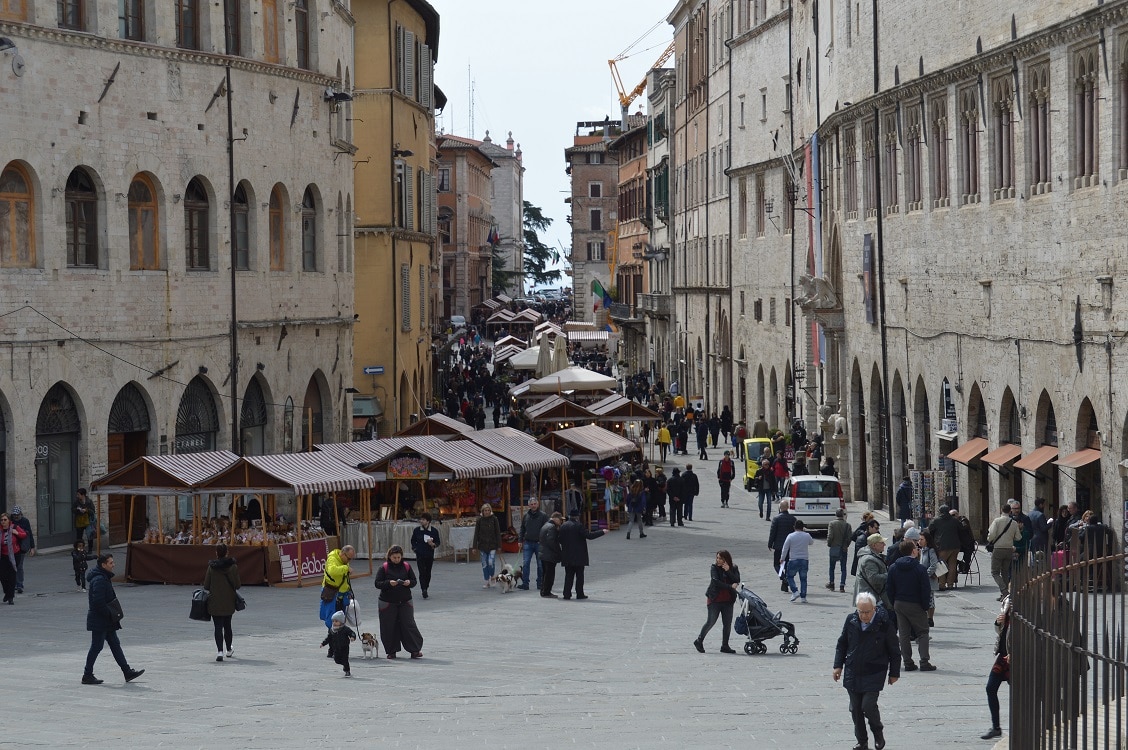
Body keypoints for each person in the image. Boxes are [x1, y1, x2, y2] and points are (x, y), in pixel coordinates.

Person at [833, 592, 900, 750]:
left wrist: (894, 673)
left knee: (868, 706)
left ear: (874, 609)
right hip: (853, 670)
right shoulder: (851, 620)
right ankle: (862, 741)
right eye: (861, 611)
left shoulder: (884, 624)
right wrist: (838, 666)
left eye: (867, 612)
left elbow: (895, 651)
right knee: (855, 709)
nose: (863, 615)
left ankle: (878, 733)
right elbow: (842, 643)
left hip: (874, 672)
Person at [83, 553, 145, 685]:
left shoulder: (103, 577)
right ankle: (87, 675)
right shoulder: (99, 579)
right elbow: (97, 602)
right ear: (103, 565)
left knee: (115, 645)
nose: (113, 565)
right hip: (100, 620)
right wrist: (109, 614)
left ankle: (127, 671)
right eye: (111, 563)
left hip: (106, 620)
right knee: (96, 646)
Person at [887, 539, 935, 672]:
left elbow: (889, 588)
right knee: (923, 632)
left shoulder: (893, 567)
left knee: (903, 633)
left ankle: (908, 662)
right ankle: (924, 661)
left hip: (899, 603)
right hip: (915, 603)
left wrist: (893, 602)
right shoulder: (919, 568)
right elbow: (925, 589)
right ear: (913, 551)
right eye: (916, 547)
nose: (918, 549)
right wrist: (925, 606)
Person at [374, 545, 424, 659]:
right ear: (389, 557)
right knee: (388, 626)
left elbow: (414, 581)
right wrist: (388, 583)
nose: (396, 559)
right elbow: (377, 583)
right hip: (387, 602)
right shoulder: (384, 568)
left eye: (398, 557)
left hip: (405, 601)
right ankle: (391, 651)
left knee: (409, 624)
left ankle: (415, 650)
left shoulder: (406, 566)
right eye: (394, 557)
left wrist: (408, 582)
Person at [693, 550, 741, 654]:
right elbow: (716, 581)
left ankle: (725, 645)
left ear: (726, 559)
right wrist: (729, 586)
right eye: (717, 558)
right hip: (715, 599)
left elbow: (737, 580)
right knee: (711, 621)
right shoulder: (714, 567)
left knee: (727, 624)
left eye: (720, 558)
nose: (718, 560)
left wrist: (728, 571)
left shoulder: (734, 567)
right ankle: (699, 640)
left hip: (728, 600)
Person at [203, 543, 241, 662]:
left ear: (216, 553)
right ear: (227, 552)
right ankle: (229, 649)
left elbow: (206, 585)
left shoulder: (211, 567)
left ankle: (220, 651)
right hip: (229, 600)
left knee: (217, 627)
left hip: (215, 601)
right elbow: (237, 585)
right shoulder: (233, 567)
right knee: (227, 625)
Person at [981, 594, 1012, 740]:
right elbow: (1000, 631)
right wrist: (998, 622)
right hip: (1003, 655)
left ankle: (1023, 726)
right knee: (990, 688)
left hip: (1018, 656)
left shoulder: (1028, 605)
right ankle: (996, 727)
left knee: (1020, 695)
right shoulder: (1008, 602)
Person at [558, 509, 604, 600]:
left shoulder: (563, 526)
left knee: (568, 575)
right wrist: (602, 532)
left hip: (567, 555)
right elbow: (589, 536)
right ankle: (580, 593)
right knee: (579, 576)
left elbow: (559, 539)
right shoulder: (579, 526)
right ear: (577, 517)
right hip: (579, 556)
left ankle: (566, 594)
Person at [319, 545, 356, 653]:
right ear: (342, 554)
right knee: (333, 622)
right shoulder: (332, 558)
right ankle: (332, 648)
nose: (349, 561)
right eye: (349, 558)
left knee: (340, 623)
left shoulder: (344, 561)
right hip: (332, 595)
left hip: (342, 595)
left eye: (351, 559)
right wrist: (346, 568)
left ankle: (338, 647)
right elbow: (332, 571)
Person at [986, 504, 1022, 600]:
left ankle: (1004, 591)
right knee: (1005, 572)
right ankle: (1004, 595)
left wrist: (990, 539)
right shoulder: (1014, 523)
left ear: (1001, 510)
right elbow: (1018, 537)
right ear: (1010, 511)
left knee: (995, 572)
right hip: (1009, 549)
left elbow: (991, 535)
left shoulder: (997, 521)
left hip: (998, 548)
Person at [854, 534, 892, 611]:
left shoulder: (872, 556)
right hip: (870, 598)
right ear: (874, 545)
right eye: (881, 543)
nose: (884, 545)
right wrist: (890, 575)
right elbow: (874, 578)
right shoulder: (869, 560)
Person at [781, 519, 815, 603]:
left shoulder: (790, 536)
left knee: (789, 576)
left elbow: (785, 548)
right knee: (803, 578)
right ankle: (803, 597)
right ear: (803, 527)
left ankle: (795, 591)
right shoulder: (807, 535)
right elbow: (811, 542)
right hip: (804, 559)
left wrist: (782, 558)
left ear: (794, 527)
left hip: (793, 559)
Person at [518, 498, 548, 589]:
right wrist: (520, 540)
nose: (533, 505)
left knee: (540, 564)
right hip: (528, 543)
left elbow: (547, 528)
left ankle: (540, 583)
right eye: (531, 504)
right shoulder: (526, 516)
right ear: (529, 505)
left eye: (535, 504)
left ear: (538, 504)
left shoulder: (543, 515)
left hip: (539, 543)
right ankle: (525, 583)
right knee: (526, 563)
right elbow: (522, 528)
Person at [929, 505, 961, 590]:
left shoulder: (936, 520)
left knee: (941, 565)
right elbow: (961, 529)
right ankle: (950, 584)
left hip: (942, 545)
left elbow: (930, 530)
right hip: (955, 545)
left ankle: (942, 584)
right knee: (952, 564)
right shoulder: (954, 520)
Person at [768, 500, 796, 592]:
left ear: (780, 508)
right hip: (790, 547)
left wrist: (770, 543)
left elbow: (773, 532)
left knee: (777, 564)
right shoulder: (793, 519)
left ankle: (783, 578)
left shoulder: (776, 519)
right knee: (787, 565)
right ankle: (785, 581)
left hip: (779, 546)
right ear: (787, 507)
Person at [410, 513, 440, 599]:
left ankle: (426, 586)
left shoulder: (434, 531)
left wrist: (432, 544)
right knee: (421, 572)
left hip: (429, 554)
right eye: (421, 519)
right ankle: (423, 589)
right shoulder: (417, 530)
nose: (421, 521)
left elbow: (438, 542)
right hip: (420, 554)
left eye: (423, 520)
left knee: (428, 572)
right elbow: (413, 541)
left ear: (428, 521)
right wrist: (415, 549)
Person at [471, 503, 501, 589]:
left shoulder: (494, 519)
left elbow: (498, 533)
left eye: (488, 510)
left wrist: (499, 546)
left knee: (491, 562)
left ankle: (492, 576)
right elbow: (476, 533)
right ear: (482, 511)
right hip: (482, 545)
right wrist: (474, 547)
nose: (487, 512)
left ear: (490, 511)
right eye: (485, 510)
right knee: (484, 563)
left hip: (492, 545)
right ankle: (486, 580)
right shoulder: (479, 520)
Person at [0, 512, 27, 604]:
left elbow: (24, 534)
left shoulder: (14, 527)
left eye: (5, 520)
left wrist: (16, 533)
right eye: (1, 520)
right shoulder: (0, 530)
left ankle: (10, 597)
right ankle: (7, 593)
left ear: (9, 521)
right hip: (3, 555)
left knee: (12, 576)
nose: (3, 522)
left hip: (15, 555)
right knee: (2, 576)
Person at [320, 610, 356, 677]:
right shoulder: (332, 630)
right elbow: (329, 638)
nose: (334, 623)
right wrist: (323, 643)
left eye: (336, 621)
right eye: (333, 621)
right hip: (336, 647)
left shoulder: (345, 629)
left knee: (345, 659)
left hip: (344, 647)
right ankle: (344, 664)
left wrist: (352, 637)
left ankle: (347, 670)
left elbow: (352, 633)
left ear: (341, 622)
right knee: (337, 660)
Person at [538, 512, 564, 598]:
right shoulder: (552, 527)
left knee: (545, 574)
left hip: (543, 553)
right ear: (556, 518)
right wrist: (559, 552)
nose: (561, 522)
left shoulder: (546, 525)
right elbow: (552, 542)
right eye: (560, 520)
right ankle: (546, 592)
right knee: (549, 574)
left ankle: (543, 591)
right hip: (549, 555)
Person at [9, 506, 34, 594]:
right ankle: (15, 583)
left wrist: (32, 547)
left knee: (19, 566)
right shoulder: (10, 522)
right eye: (14, 515)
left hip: (22, 547)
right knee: (13, 565)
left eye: (17, 515)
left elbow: (30, 534)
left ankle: (19, 584)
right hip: (12, 547)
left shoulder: (25, 521)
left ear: (20, 514)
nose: (16, 517)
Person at [827, 508, 852, 592]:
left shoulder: (832, 524)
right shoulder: (847, 525)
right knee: (843, 568)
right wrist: (846, 545)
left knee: (832, 567)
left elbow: (830, 536)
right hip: (843, 548)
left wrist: (829, 544)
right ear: (843, 515)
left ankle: (831, 583)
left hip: (834, 547)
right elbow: (849, 538)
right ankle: (842, 585)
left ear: (836, 515)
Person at [1027, 497, 1049, 562]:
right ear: (1040, 505)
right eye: (1044, 504)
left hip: (1032, 538)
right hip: (1041, 539)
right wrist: (1050, 523)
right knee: (1041, 558)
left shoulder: (1030, 514)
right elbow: (1043, 528)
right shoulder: (1040, 515)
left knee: (1033, 558)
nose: (1044, 506)